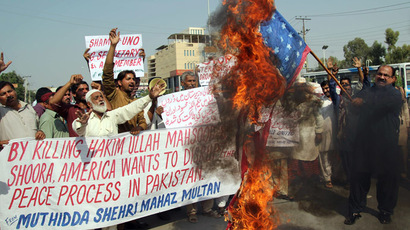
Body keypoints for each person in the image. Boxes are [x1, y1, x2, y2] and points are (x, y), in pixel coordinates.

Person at [344, 65, 402, 225]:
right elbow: (354, 107)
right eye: (380, 74)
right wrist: (354, 104)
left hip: (386, 146)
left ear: (393, 79)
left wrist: (363, 102)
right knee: (358, 179)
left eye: (386, 75)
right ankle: (355, 209)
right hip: (364, 144)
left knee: (387, 180)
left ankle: (385, 210)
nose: (382, 77)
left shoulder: (395, 95)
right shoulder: (366, 91)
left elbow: (381, 104)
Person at [72, 81, 164, 137]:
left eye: (101, 97)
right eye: (96, 98)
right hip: (94, 164)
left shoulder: (111, 116)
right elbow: (79, 130)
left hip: (112, 163)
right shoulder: (83, 120)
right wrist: (83, 123)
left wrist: (149, 97)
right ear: (89, 104)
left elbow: (130, 109)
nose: (100, 99)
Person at [100, 28, 147, 135]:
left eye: (133, 79)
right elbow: (107, 74)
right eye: (128, 79)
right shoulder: (114, 95)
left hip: (131, 144)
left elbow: (142, 121)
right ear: (119, 82)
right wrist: (113, 46)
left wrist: (139, 127)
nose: (132, 81)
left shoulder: (136, 101)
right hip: (116, 142)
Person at [0, 81, 45, 149]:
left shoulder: (29, 108)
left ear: (15, 91)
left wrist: (40, 133)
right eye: (3, 94)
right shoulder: (1, 111)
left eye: (10, 91)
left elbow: (38, 128)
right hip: (10, 156)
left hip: (32, 154)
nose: (8, 95)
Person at [318, 80, 337, 188]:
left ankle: (336, 176)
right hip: (325, 131)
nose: (326, 90)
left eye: (327, 88)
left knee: (336, 155)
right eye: (324, 89)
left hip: (337, 131)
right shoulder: (320, 101)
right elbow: (318, 117)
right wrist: (318, 132)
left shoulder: (338, 99)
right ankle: (327, 178)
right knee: (324, 155)